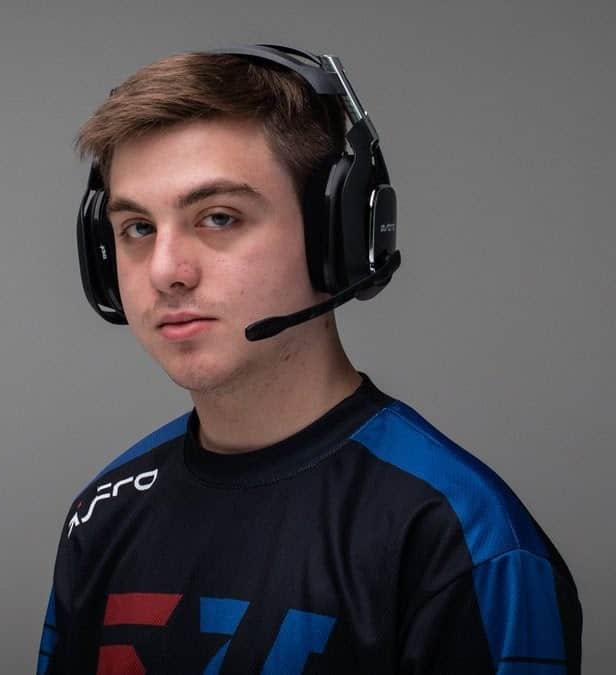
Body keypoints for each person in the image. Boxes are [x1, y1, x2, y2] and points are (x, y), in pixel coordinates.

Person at [38, 45, 581, 674]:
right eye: (136, 228)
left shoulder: (458, 535)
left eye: (218, 217)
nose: (165, 272)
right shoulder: (105, 513)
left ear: (338, 236)